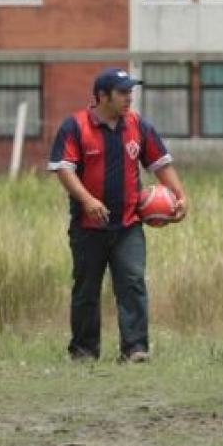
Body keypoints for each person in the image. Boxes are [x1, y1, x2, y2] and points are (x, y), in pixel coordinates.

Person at [48, 67, 187, 363]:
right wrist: (87, 200)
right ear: (102, 96)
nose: (129, 98)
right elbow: (64, 169)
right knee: (86, 289)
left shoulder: (138, 126)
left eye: (130, 92)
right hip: (88, 226)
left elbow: (160, 164)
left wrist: (180, 196)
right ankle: (84, 351)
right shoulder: (75, 127)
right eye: (123, 93)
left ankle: (135, 349)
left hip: (128, 225)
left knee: (133, 282)